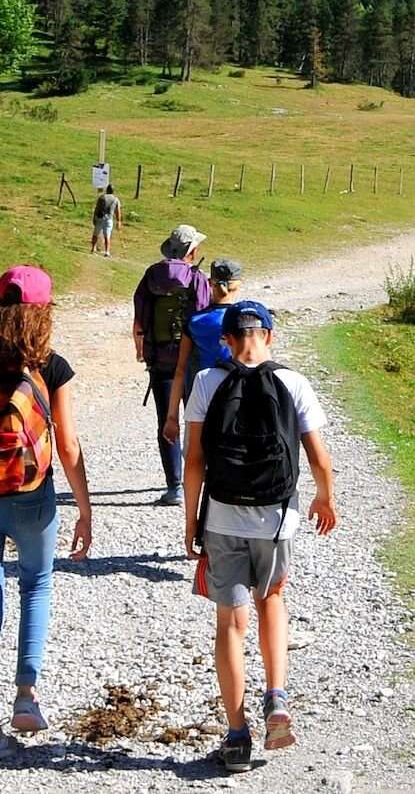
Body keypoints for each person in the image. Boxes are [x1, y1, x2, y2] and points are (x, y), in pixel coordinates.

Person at [0, 266, 93, 768]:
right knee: (37, 584)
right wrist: (85, 509)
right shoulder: (50, 365)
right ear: (42, 312)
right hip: (31, 495)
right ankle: (26, 695)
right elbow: (67, 446)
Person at [183, 302, 338, 772]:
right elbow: (318, 457)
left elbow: (193, 462)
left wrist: (191, 521)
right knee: (272, 599)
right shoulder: (293, 382)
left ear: (225, 340)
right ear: (268, 335)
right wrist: (324, 499)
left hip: (223, 519)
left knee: (230, 623)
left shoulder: (207, 382)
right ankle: (276, 696)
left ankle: (236, 736)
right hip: (276, 520)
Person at [134, 226, 213, 505]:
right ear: (191, 251)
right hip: (192, 362)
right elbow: (204, 317)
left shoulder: (150, 276)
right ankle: (199, 479)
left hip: (160, 361)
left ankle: (174, 486)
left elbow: (140, 318)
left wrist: (142, 350)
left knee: (166, 421)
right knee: (198, 421)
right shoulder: (196, 278)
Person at [162, 258, 248, 447]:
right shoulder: (246, 319)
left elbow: (180, 371)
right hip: (239, 400)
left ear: (210, 283)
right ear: (239, 284)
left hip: (200, 400)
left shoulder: (194, 322)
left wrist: (172, 417)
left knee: (196, 459)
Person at [90, 183, 123, 257]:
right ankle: (107, 251)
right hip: (108, 219)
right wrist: (119, 221)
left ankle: (93, 248)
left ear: (107, 190)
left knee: (96, 234)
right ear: (113, 191)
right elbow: (117, 211)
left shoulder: (101, 197)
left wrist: (94, 218)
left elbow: (97, 208)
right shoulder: (116, 199)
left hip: (99, 218)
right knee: (107, 236)